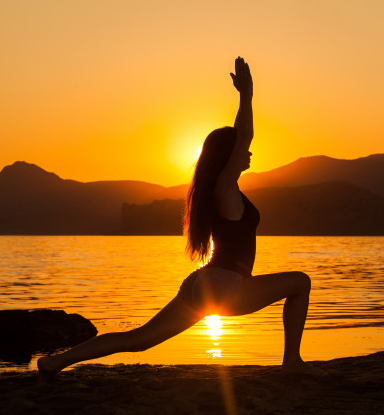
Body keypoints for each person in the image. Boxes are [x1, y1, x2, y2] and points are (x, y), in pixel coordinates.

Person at [37, 57, 322, 380]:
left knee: (139, 339)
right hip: (226, 284)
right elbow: (244, 136)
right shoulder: (224, 188)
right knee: (300, 281)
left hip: (203, 282)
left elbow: (241, 141)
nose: (251, 151)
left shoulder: (221, 191)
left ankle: (54, 362)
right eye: (243, 148)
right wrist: (247, 96)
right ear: (229, 156)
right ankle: (292, 361)